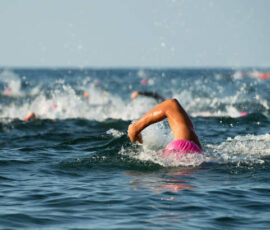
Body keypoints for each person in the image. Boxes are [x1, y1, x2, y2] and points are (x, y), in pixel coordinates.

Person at [128, 98, 202, 154]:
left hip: (184, 150)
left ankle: (135, 128)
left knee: (172, 105)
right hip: (192, 163)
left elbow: (170, 104)